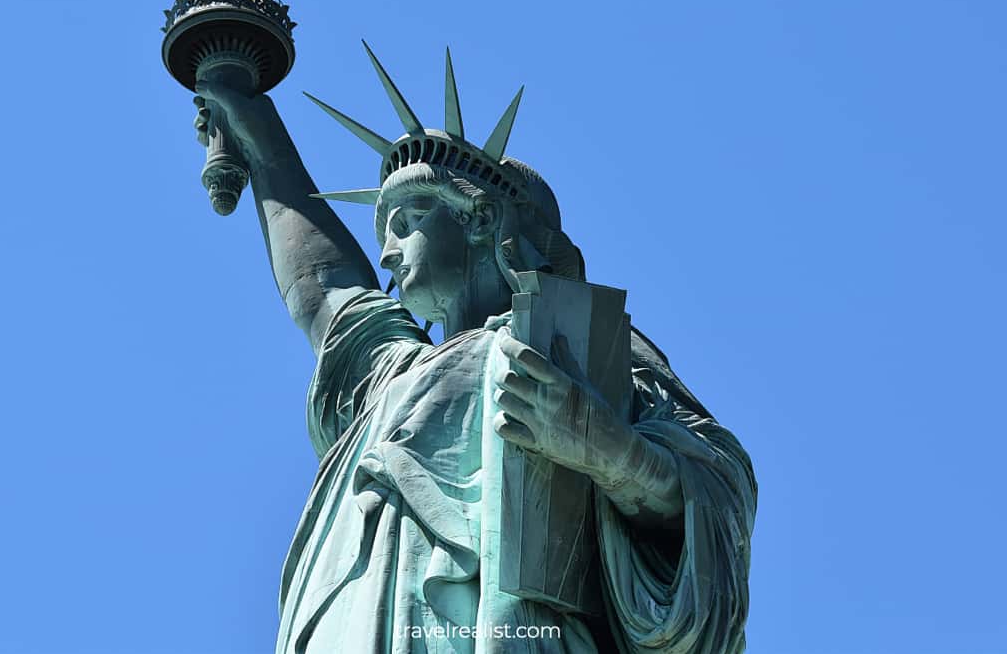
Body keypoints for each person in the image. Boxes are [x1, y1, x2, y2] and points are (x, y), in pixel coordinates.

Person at [191, 47, 756, 653]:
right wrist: (256, 130)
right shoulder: (393, 375)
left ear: (482, 217)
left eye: (405, 221)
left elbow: (719, 485)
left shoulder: (571, 347)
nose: (386, 252)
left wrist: (611, 452)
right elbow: (324, 288)